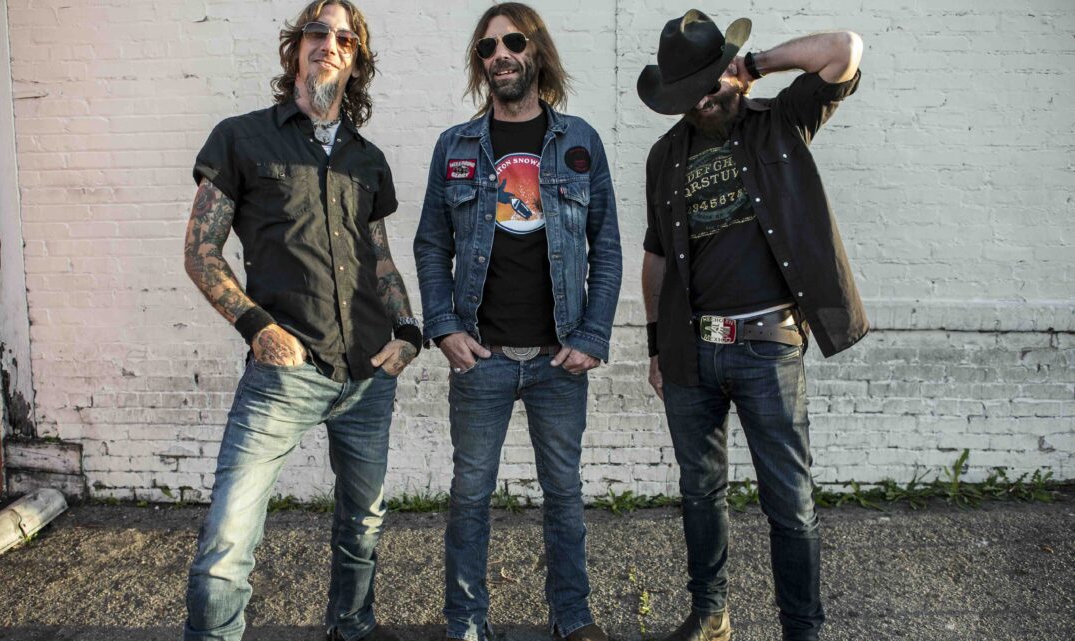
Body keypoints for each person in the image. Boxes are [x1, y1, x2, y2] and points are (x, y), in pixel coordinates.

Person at [181, 2, 418, 640]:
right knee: (228, 539)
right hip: (284, 374)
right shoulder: (241, 138)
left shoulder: (368, 160)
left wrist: (408, 333)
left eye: (345, 38)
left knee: (363, 522)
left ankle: (352, 627)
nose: (329, 43)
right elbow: (201, 252)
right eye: (318, 31)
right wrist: (257, 327)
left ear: (356, 62)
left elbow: (380, 259)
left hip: (368, 374)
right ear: (296, 48)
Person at [637, 9, 866, 641]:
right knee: (700, 492)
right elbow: (656, 257)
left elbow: (844, 48)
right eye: (688, 95)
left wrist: (758, 65)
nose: (702, 102)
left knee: (789, 502)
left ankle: (802, 630)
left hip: (769, 348)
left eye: (710, 86)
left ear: (730, 72)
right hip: (692, 351)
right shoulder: (665, 156)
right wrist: (655, 346)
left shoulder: (781, 120)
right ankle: (711, 615)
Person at [413, 3, 622, 640]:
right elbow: (431, 244)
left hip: (559, 359)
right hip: (483, 357)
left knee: (564, 493)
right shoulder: (455, 146)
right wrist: (444, 326)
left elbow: (608, 247)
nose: (500, 54)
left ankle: (573, 618)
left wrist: (592, 335)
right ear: (481, 64)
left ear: (537, 52)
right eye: (487, 48)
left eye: (512, 41)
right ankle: (465, 623)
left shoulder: (580, 141)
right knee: (470, 495)